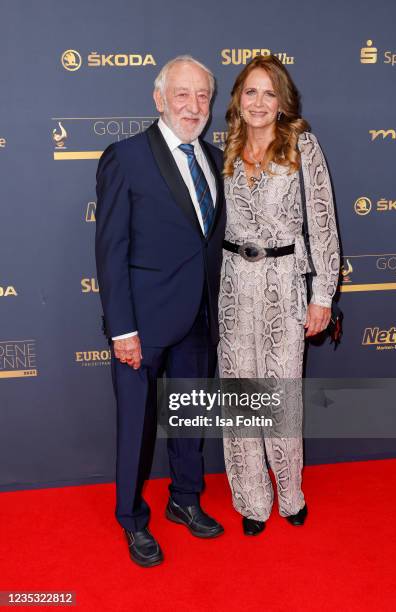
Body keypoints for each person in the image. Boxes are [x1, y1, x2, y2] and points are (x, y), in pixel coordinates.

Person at [95, 55, 226, 567]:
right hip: (142, 325)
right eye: (182, 95)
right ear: (158, 99)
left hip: (199, 317)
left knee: (191, 416)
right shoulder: (125, 157)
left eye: (203, 97)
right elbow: (110, 249)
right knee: (136, 425)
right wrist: (121, 328)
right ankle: (130, 519)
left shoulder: (215, 159)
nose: (194, 106)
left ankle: (185, 500)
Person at [218, 55, 340, 536]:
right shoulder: (223, 147)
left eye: (269, 93)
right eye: (251, 92)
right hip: (232, 285)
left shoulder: (303, 147)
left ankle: (290, 494)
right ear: (238, 99)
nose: (259, 102)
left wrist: (322, 295)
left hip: (284, 284)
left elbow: (324, 225)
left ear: (283, 101)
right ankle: (251, 499)